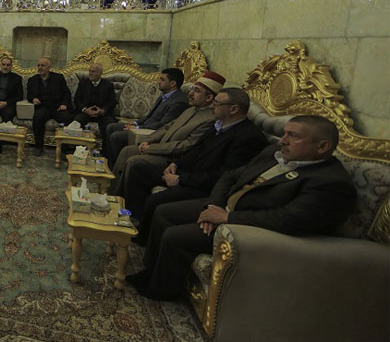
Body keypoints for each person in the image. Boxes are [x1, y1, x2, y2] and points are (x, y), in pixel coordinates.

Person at [128, 115, 357, 301]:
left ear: (322, 146)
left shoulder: (330, 183)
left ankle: (160, 290)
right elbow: (231, 175)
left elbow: (288, 219)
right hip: (224, 205)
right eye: (284, 133)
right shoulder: (274, 153)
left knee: (175, 236)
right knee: (164, 212)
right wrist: (214, 206)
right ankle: (151, 271)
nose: (282, 141)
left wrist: (227, 218)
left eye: (293, 136)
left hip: (247, 228)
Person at [127, 88, 268, 244]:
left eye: (217, 103)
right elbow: (194, 150)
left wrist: (180, 179)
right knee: (139, 170)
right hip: (187, 173)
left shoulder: (248, 137)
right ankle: (134, 220)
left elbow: (223, 176)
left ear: (233, 109)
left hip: (201, 187)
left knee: (155, 202)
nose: (212, 106)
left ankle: (142, 240)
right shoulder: (218, 125)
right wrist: (176, 164)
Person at [112, 70, 226, 198]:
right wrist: (148, 140)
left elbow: (186, 145)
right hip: (160, 148)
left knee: (134, 162)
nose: (190, 93)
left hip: (173, 157)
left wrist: (152, 148)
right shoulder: (190, 110)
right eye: (192, 89)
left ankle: (123, 201)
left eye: (197, 91)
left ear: (209, 98)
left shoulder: (210, 119)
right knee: (127, 151)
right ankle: (112, 192)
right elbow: (167, 127)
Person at [104, 68, 188, 167]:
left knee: (116, 136)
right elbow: (149, 116)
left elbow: (163, 125)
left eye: (162, 79)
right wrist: (135, 123)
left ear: (173, 83)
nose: (158, 82)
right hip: (145, 126)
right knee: (111, 127)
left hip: (151, 132)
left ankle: (114, 167)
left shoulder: (179, 102)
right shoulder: (164, 95)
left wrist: (138, 128)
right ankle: (106, 162)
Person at [26, 57, 73, 156]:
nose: (40, 67)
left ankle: (64, 148)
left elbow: (66, 93)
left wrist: (64, 104)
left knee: (67, 118)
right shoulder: (32, 80)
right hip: (43, 107)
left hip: (58, 107)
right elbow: (29, 95)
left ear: (49, 67)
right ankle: (38, 146)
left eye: (43, 65)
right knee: (37, 117)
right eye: (38, 65)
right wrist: (33, 99)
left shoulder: (58, 78)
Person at [72, 63, 117, 138]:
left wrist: (102, 111)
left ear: (100, 73)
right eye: (89, 71)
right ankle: (79, 144)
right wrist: (85, 109)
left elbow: (113, 102)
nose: (90, 73)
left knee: (109, 124)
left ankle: (105, 145)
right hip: (86, 112)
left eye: (93, 71)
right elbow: (77, 99)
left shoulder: (108, 85)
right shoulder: (83, 83)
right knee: (77, 121)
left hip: (102, 114)